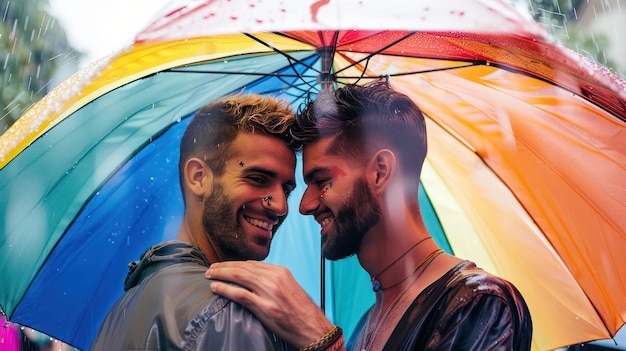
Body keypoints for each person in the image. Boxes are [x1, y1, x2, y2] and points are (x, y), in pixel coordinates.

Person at [205, 81, 533, 350]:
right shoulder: (367, 321)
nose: (303, 206)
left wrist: (321, 341)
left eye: (321, 181)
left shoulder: (478, 305)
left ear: (380, 173)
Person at [90, 93, 301, 351]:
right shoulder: (229, 315)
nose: (280, 206)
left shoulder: (120, 312)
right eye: (258, 179)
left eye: (287, 189)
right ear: (199, 177)